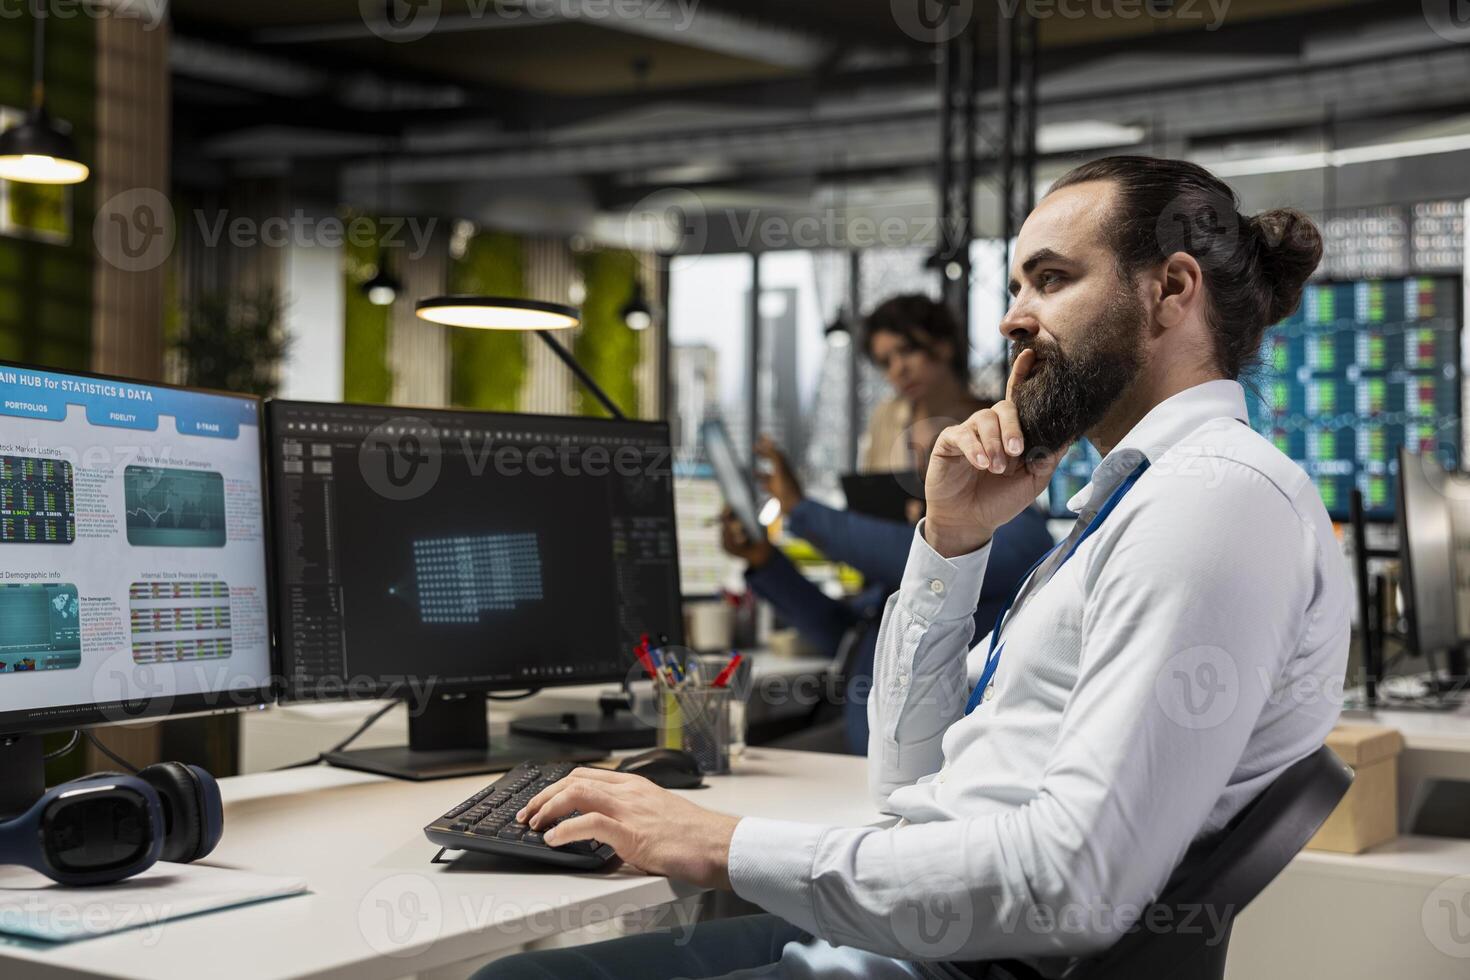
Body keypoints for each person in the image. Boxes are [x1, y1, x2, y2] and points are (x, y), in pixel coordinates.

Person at [477, 156, 1350, 979]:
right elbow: (909, 784)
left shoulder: (1212, 499)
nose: (1013, 318)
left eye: (1051, 279)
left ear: (1171, 290)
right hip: (914, 940)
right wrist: (950, 542)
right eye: (1016, 287)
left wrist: (719, 841)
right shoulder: (1128, 503)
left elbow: (1076, 882)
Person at [719, 435, 1052, 753]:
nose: (923, 469)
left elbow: (911, 554)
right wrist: (765, 562)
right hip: (864, 740)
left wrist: (800, 509)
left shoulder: (1023, 539)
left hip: (924, 759)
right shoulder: (927, 550)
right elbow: (843, 632)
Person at [861, 295, 988, 473]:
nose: (898, 369)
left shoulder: (989, 419)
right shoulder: (885, 419)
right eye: (885, 362)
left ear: (943, 345)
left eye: (907, 350)